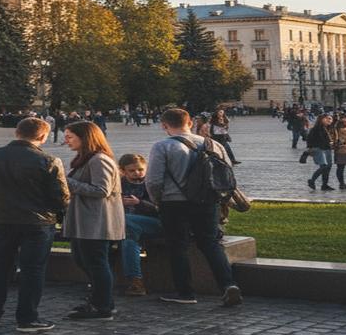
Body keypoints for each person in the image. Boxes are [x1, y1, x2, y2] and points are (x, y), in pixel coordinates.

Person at [0, 117, 69, 332]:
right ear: (43, 136)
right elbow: (61, 197)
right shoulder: (49, 160)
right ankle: (27, 318)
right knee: (33, 270)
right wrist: (59, 216)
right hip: (37, 223)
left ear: (17, 132)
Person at [146, 108, 243, 307]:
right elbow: (227, 174)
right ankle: (228, 285)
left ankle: (185, 293)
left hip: (173, 203)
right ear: (190, 123)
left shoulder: (162, 146)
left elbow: (154, 181)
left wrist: (157, 200)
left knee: (178, 246)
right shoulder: (213, 144)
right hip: (207, 201)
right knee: (210, 243)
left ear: (164, 125)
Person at [62, 120, 124, 320]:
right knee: (83, 260)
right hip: (85, 220)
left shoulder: (99, 160)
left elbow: (101, 190)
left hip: (97, 221)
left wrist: (66, 182)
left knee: (95, 263)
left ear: (85, 137)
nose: (66, 140)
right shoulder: (86, 159)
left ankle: (102, 306)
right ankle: (100, 301)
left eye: (70, 137)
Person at [117, 153, 161, 296]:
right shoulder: (118, 184)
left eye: (140, 169)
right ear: (123, 171)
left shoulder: (151, 183)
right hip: (128, 228)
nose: (137, 173)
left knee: (127, 221)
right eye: (132, 170)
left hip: (154, 223)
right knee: (129, 240)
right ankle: (135, 282)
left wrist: (139, 203)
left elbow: (162, 209)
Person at [306, 113, 337, 191]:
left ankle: (324, 185)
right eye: (327, 118)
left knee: (328, 167)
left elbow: (333, 138)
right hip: (319, 149)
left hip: (327, 149)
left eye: (330, 119)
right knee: (324, 166)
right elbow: (309, 139)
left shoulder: (330, 128)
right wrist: (310, 149)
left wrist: (332, 143)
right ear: (321, 119)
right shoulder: (316, 128)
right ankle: (312, 180)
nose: (329, 120)